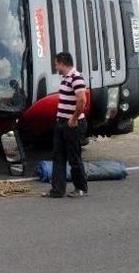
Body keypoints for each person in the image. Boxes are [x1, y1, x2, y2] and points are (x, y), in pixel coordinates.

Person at [43, 52, 89, 198]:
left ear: (62, 63)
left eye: (56, 64)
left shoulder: (76, 77)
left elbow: (82, 100)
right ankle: (57, 190)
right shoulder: (65, 78)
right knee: (58, 156)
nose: (56, 67)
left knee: (74, 157)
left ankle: (81, 188)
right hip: (61, 123)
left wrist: (74, 119)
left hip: (72, 125)